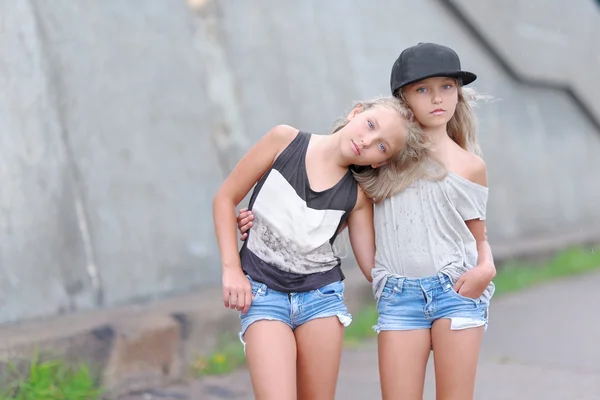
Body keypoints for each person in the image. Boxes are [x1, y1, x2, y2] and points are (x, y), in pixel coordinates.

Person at [235, 42, 496, 400]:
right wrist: (265, 221)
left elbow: (478, 237)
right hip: (400, 297)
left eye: (447, 87)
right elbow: (325, 207)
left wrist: (487, 267)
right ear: (404, 98)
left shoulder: (471, 167)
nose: (437, 99)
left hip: (457, 291)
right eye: (423, 89)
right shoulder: (380, 161)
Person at [212, 95, 427, 400]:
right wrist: (232, 270)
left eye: (381, 146)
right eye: (370, 125)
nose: (367, 141)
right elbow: (224, 198)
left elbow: (373, 268)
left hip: (320, 300)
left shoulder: (356, 196)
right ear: (356, 112)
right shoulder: (284, 141)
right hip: (263, 295)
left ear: (380, 162)